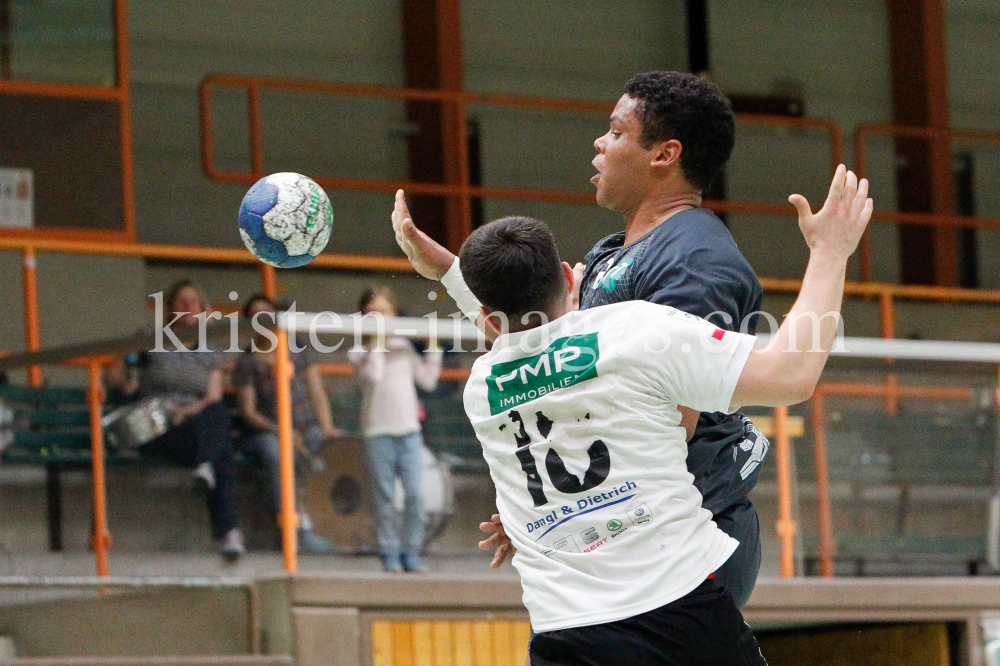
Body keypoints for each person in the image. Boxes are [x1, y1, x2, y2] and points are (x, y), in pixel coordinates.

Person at [450, 166, 870, 664]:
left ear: (485, 317)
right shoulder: (635, 331)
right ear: (568, 276)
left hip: (565, 636)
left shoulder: (481, 388)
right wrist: (829, 252)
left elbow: (527, 351)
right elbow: (791, 375)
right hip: (679, 614)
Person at [393, 70, 768, 607]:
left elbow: (668, 425)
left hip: (685, 550)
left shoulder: (693, 260)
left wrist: (567, 506)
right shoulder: (616, 251)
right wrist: (452, 274)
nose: (600, 142)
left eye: (616, 132)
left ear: (664, 154)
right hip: (630, 551)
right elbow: (544, 356)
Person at [106, 280, 244, 560]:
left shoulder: (211, 350)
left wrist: (189, 411)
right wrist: (125, 373)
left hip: (195, 426)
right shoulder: (151, 337)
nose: (187, 307)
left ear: (203, 310)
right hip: (157, 425)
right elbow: (117, 376)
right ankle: (227, 532)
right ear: (170, 309)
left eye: (193, 302)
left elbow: (213, 396)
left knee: (216, 414)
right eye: (180, 302)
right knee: (222, 453)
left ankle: (207, 468)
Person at [234, 295, 342, 555]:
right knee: (277, 454)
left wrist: (327, 427)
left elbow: (316, 393)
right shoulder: (247, 361)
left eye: (267, 314)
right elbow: (248, 412)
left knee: (333, 448)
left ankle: (330, 524)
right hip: (268, 431)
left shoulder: (299, 349)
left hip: (305, 428)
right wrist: (281, 431)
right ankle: (293, 529)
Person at [348, 286, 443, 573]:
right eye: (372, 314)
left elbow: (427, 381)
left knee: (415, 495)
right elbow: (374, 376)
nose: (378, 318)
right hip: (378, 431)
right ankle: (389, 552)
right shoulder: (358, 351)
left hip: (409, 430)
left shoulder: (402, 346)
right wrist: (377, 341)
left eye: (384, 313)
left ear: (394, 314)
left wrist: (433, 346)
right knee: (385, 497)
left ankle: (411, 551)